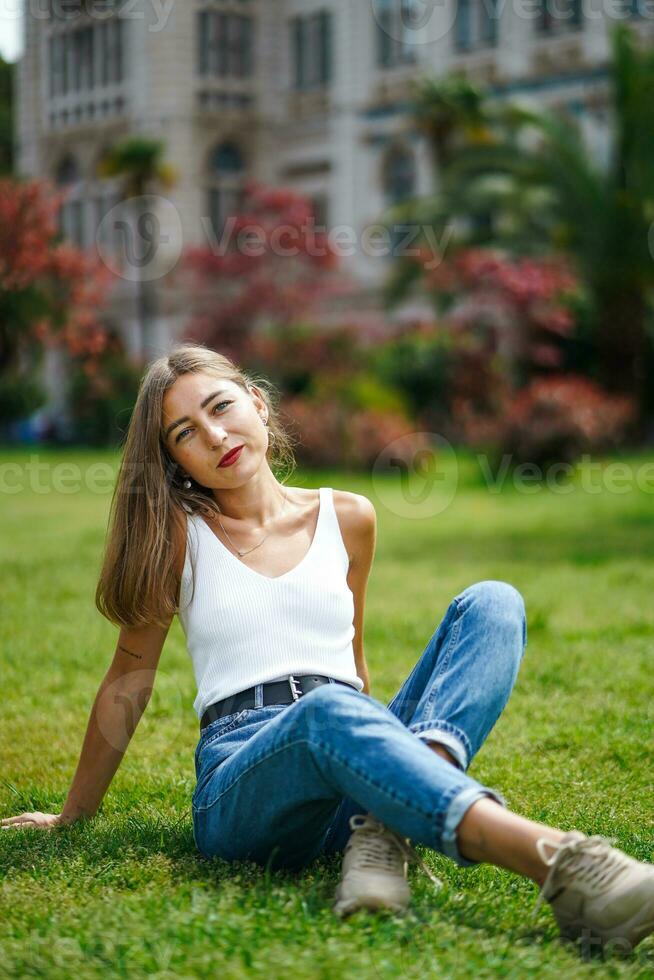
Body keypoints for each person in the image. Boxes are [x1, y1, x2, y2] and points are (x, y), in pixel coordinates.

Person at [3, 343, 653, 957]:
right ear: (176, 461)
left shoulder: (348, 517)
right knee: (324, 712)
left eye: (221, 407)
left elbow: (353, 664)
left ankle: (384, 827)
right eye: (185, 434)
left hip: (344, 754)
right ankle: (565, 864)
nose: (216, 437)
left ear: (257, 403)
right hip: (244, 781)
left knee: (493, 602)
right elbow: (128, 679)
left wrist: (375, 754)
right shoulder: (181, 535)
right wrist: (71, 816)